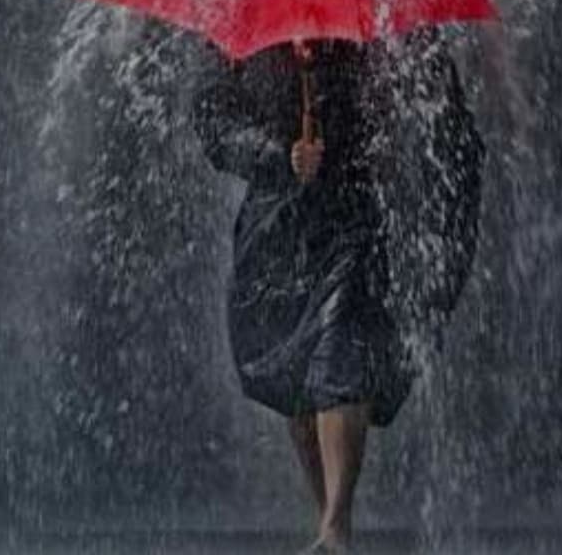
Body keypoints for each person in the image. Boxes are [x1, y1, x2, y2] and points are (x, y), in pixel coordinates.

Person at [192, 31, 484, 553]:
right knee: (296, 375)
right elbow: (213, 122)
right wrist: (279, 155)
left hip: (354, 212)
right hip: (277, 228)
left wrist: (394, 123)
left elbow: (437, 106)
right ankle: (326, 518)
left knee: (341, 353)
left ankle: (336, 526)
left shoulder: (373, 17)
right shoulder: (237, 29)